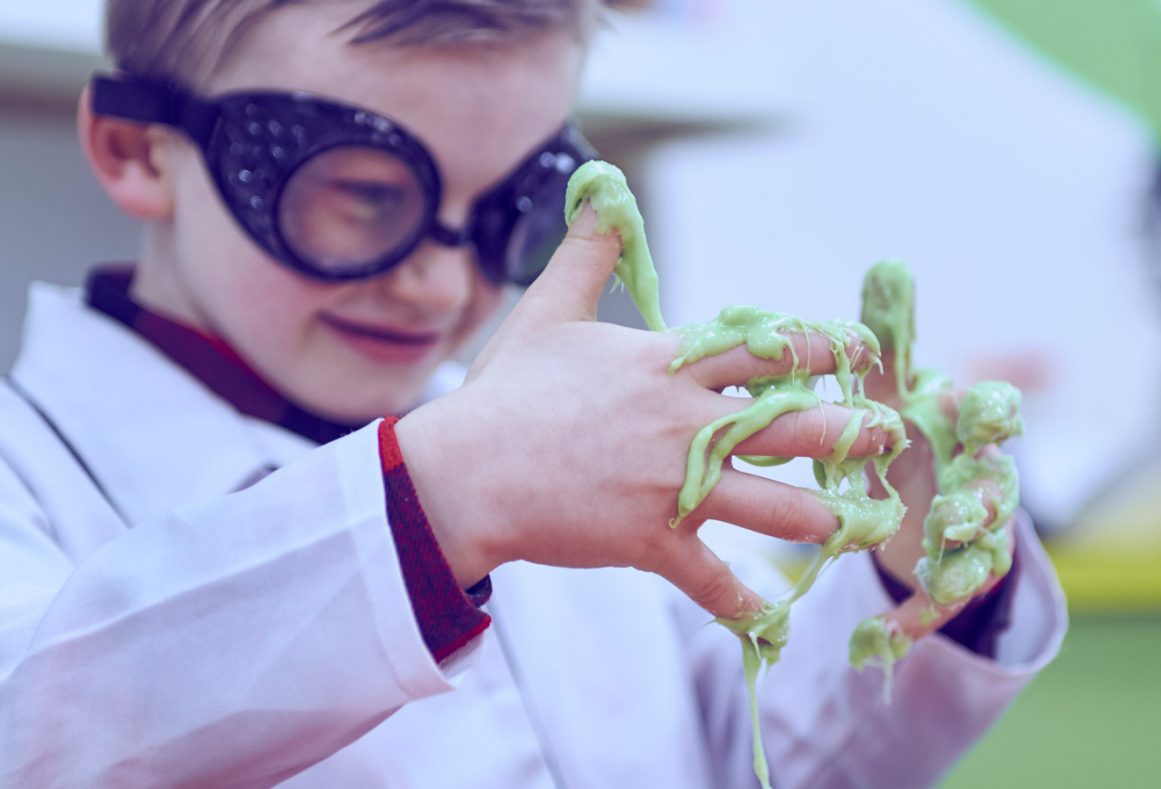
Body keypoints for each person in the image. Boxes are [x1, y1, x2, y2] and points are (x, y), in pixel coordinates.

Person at [0, 1, 1066, 785]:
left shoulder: (567, 452)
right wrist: (448, 500)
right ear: (138, 150)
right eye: (364, 195)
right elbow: (41, 734)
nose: (442, 278)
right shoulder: (28, 480)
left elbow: (762, 758)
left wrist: (911, 575)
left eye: (516, 203)